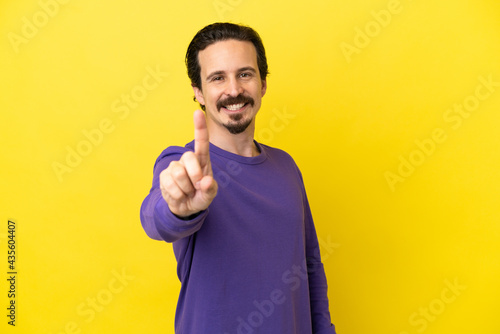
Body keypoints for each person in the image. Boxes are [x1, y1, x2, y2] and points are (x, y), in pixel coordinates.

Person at [140, 22, 337, 334]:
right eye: (217, 78)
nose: (233, 90)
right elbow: (156, 218)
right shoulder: (183, 164)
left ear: (263, 84)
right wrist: (179, 207)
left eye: (245, 74)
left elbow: (310, 266)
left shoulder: (286, 166)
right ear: (198, 92)